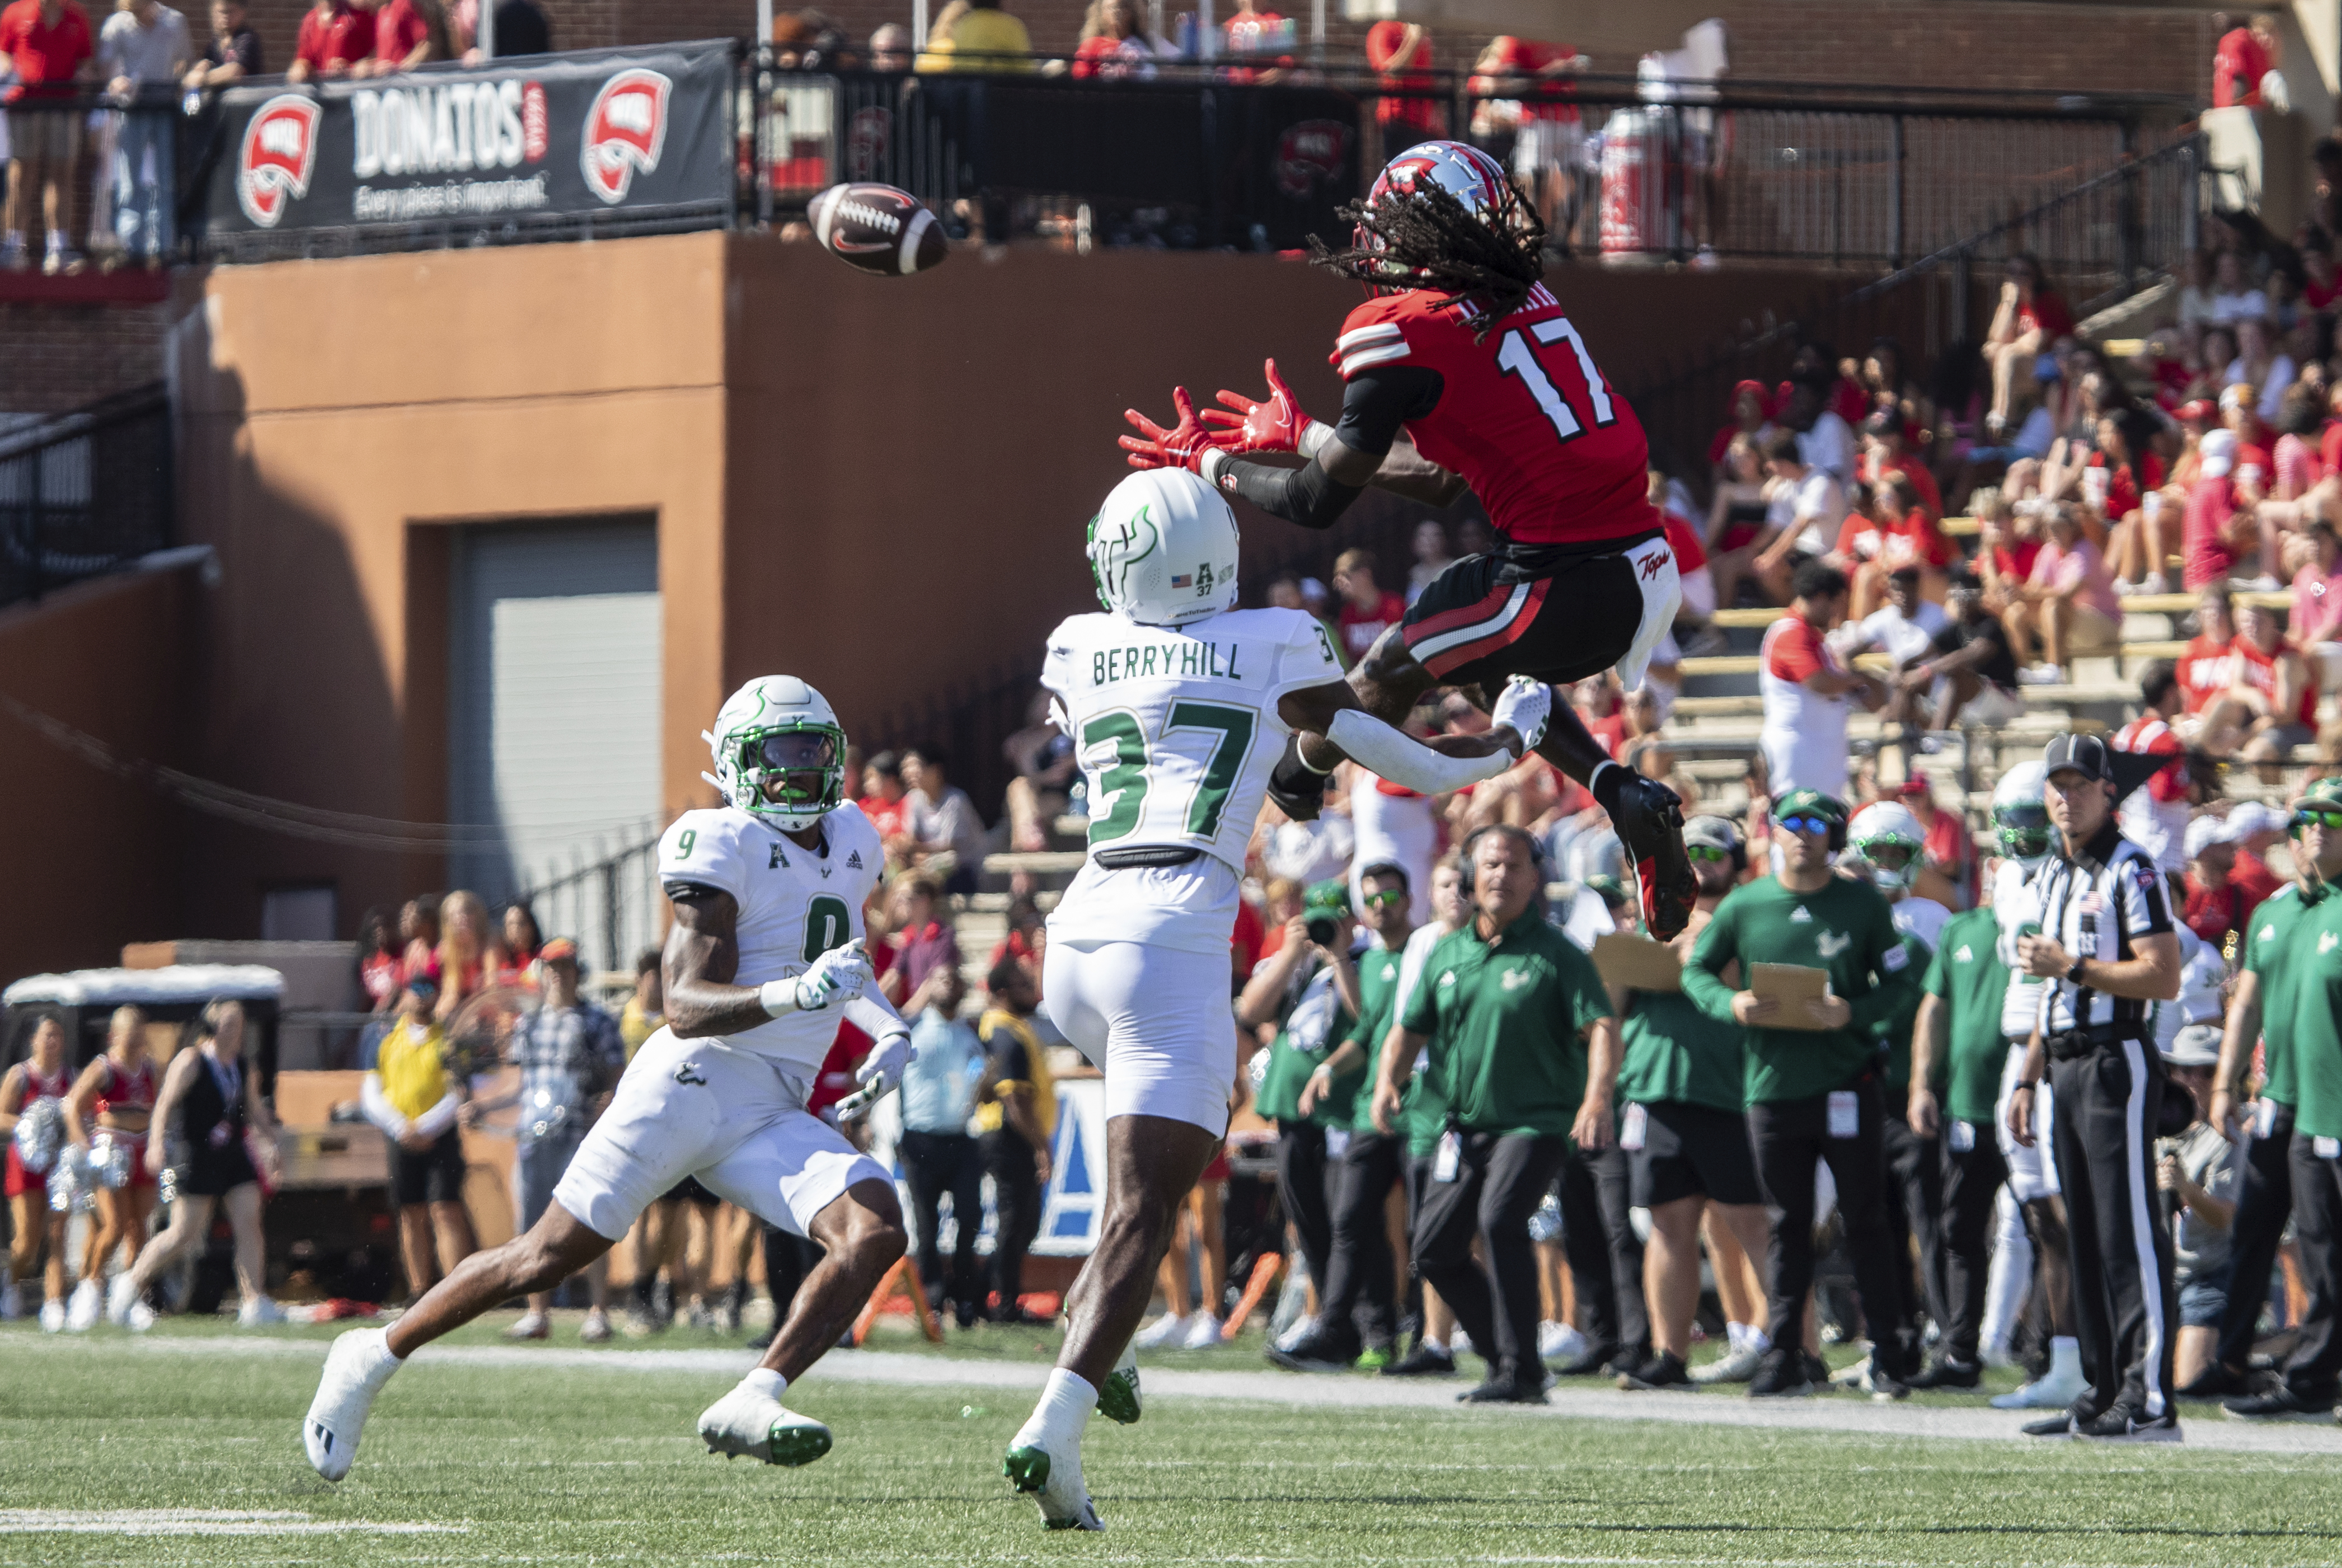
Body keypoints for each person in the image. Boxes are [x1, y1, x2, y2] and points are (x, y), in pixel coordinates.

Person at [1004, 468, 1547, 1529]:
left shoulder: (1075, 645)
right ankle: (1055, 1430)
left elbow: (1169, 678)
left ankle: (1092, 1336)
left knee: (1140, 1191)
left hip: (1074, 938)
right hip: (1174, 932)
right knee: (1144, 1210)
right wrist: (1516, 734)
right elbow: (1416, 767)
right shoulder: (1277, 639)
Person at [304, 675, 916, 1481]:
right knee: (544, 1256)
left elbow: (839, 962)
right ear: (736, 762)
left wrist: (887, 1025)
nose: (800, 772)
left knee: (875, 1228)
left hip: (772, 1104)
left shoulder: (854, 838)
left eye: (813, 753)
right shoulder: (719, 839)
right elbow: (685, 1003)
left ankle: (756, 1394)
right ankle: (373, 1353)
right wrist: (796, 994)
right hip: (692, 1080)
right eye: (781, 755)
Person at [1124, 140, 1697, 942]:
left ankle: (1293, 778)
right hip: (1637, 558)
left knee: (1400, 660)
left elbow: (1316, 502)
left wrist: (1208, 461)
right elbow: (1438, 478)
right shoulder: (1524, 295)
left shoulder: (1397, 328)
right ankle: (1618, 789)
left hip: (1558, 586)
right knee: (1464, 640)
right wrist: (1308, 432)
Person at [1682, 788, 1919, 1398]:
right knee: (1786, 1225)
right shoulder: (1747, 904)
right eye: (1793, 821)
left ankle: (1890, 1353)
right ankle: (1784, 1354)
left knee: (1866, 1220)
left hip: (1847, 1085)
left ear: (1836, 838)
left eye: (1820, 823)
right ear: (1774, 831)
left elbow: (1900, 984)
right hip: (1771, 1088)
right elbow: (1696, 971)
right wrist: (1730, 1003)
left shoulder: (1862, 905)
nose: (1805, 832)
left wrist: (1854, 1014)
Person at [1377, 825, 1618, 1403]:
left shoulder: (1559, 953)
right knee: (1435, 1248)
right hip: (1461, 1125)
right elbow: (1410, 1028)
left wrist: (1597, 1099)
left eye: (1514, 867)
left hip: (1535, 1122)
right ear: (1470, 877)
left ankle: (1520, 1368)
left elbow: (1602, 1027)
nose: (1501, 876)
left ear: (1535, 878)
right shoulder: (1447, 951)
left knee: (1502, 1219)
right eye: (1490, 866)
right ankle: (1508, 1361)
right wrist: (1389, 1080)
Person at [2006, 733, 2184, 1440]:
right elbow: (2048, 996)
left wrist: (2075, 967)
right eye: (2057, 785)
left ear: (2108, 790)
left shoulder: (2131, 868)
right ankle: (2104, 1385)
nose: (2065, 798)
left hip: (2116, 1059)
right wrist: (2025, 1076)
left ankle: (2150, 1397)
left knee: (2128, 1230)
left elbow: (2163, 974)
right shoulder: (2053, 872)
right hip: (2063, 1063)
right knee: (2083, 1232)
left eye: (2079, 785)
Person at [1609, 816, 1773, 1391]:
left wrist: (1701, 949)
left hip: (1729, 1088)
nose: (1701, 860)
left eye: (1714, 851)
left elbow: (1756, 981)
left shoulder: (1749, 914)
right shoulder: (1654, 920)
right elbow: (1612, 1003)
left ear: (1738, 861)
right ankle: (1669, 1354)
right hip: (1657, 1084)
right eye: (1691, 850)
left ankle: (1791, 1349)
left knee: (1753, 1225)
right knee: (1668, 1225)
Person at [2214, 777, 2342, 1417]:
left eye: (2332, 821)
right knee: (2253, 1231)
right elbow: (2247, 1003)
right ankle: (2229, 1361)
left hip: (2333, 1103)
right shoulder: (2269, 913)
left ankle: (2317, 1378)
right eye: (2307, 821)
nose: (2317, 831)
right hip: (2279, 1097)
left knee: (2323, 1243)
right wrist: (2224, 1080)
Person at [1273, 862, 1417, 1372]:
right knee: (1348, 1222)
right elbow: (1367, 1035)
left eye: (1390, 895)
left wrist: (1338, 958)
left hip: (1416, 1107)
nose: (1381, 905)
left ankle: (1420, 1336)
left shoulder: (1414, 954)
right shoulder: (1372, 961)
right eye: (1372, 897)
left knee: (1425, 1230)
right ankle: (1338, 1329)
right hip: (1363, 1110)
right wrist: (1330, 1067)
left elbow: (1373, 1024)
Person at [1984, 759, 2090, 1412]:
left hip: (2060, 1051)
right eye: (2013, 821)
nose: (2024, 834)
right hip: (2019, 1052)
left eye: (2034, 818)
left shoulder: (2080, 877)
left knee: (2073, 1211)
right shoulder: (2006, 883)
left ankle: (2097, 1354)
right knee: (2036, 1214)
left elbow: (2191, 948)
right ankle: (2065, 1358)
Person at [464, 940, 624, 1341]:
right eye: (552, 968)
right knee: (532, 1222)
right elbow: (521, 1085)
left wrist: (605, 1105)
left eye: (566, 967)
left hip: (579, 1133)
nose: (558, 975)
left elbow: (617, 1075)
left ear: (577, 972)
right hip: (534, 1133)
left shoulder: (597, 1021)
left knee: (591, 1218)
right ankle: (538, 1313)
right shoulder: (528, 1024)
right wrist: (484, 1109)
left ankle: (598, 1310)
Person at [1240, 878, 1363, 1358]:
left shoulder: (1363, 961)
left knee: (1344, 1220)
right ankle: (1322, 1318)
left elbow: (1364, 1016)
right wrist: (1294, 952)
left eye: (1334, 918)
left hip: (1343, 1110)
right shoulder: (1290, 962)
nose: (1323, 927)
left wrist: (1338, 956)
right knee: (1305, 1220)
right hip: (1291, 1109)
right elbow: (1251, 1009)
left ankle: (1344, 1320)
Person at [1907, 855, 2017, 1388]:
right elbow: (1934, 1008)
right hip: (1967, 1105)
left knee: (2052, 1229)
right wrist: (1922, 1084)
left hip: (2027, 1107)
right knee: (1959, 1229)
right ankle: (1959, 1353)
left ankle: (2058, 1351)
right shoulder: (1960, 929)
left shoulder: (2040, 928)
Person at [111, 999, 284, 1328]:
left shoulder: (242, 1065)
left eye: (240, 1024)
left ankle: (254, 1301)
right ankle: (130, 1284)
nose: (237, 1031)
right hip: (197, 1154)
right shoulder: (192, 1060)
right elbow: (164, 1104)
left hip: (232, 1154)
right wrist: (157, 1142)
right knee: (183, 1233)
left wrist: (271, 1143)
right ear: (211, 1026)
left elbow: (253, 1108)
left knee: (250, 1221)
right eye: (229, 1023)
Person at [361, 974, 475, 1303]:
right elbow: (371, 1093)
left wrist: (425, 1127)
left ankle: (456, 1291)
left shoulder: (449, 1038)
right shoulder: (384, 1037)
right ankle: (419, 1290)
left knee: (445, 1209)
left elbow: (460, 1090)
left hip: (440, 1137)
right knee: (410, 1212)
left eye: (430, 991)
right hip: (400, 1137)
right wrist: (401, 1128)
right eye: (417, 991)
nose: (422, 998)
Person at [61, 1005, 158, 1331]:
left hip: (143, 1147)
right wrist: (84, 1147)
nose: (134, 1040)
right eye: (128, 1034)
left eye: (139, 1033)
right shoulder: (104, 1068)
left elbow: (158, 1105)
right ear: (114, 1035)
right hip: (112, 1149)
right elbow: (72, 1107)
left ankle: (130, 1297)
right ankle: (89, 1287)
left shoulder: (150, 1068)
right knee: (114, 1226)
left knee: (140, 1228)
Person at [2155, 1025, 2240, 1391]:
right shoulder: (2156, 1125)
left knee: (2188, 1383)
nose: (2192, 1080)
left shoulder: (2228, 1135)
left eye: (2207, 1072)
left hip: (2207, 1272)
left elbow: (2226, 1217)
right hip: (2159, 1272)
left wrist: (2185, 1188)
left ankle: (2273, 1348)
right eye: (2184, 1070)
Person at [899, 965, 985, 1326]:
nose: (948, 986)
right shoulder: (912, 1029)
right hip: (920, 1137)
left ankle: (964, 1297)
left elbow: (982, 1075)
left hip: (959, 1137)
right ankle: (933, 1297)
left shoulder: (969, 1035)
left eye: (953, 980)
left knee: (970, 1217)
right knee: (926, 1223)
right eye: (941, 979)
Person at [1758, 561, 1881, 804]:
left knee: (1826, 821)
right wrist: (1857, 680)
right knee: (1794, 818)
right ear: (1822, 597)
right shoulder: (1791, 632)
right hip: (1799, 750)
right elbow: (1818, 682)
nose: (1837, 612)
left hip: (1817, 749)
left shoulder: (1811, 634)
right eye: (1837, 603)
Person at [976, 958, 1054, 1325]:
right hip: (1010, 1135)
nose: (1033, 992)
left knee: (1021, 1223)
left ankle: (984, 1296)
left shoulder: (1011, 1027)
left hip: (1010, 1134)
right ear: (1004, 992)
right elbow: (1014, 1099)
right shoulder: (1003, 1030)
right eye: (1024, 986)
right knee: (1015, 1221)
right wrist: (1040, 1145)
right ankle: (1003, 1304)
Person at [0, 0, 96, 275]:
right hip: (24, 105)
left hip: (63, 104)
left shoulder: (77, 15)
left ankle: (58, 248)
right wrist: (8, 71)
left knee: (62, 174)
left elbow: (86, 59)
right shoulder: (15, 13)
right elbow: (3, 53)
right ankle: (13, 247)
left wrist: (84, 74)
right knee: (21, 174)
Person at [94, 0, 187, 264]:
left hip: (165, 106)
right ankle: (131, 246)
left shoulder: (175, 22)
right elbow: (106, 66)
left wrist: (176, 81)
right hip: (131, 108)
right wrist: (116, 81)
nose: (129, 10)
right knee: (129, 177)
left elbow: (184, 61)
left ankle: (163, 245)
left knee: (164, 177)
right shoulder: (116, 24)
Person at [0, 1015, 74, 1330]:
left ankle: (54, 1303)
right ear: (33, 1041)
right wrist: (31, 1124)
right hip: (27, 1163)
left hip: (59, 1165)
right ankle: (12, 1281)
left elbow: (83, 1113)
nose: (53, 1042)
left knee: (58, 1234)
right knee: (28, 1241)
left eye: (58, 1035)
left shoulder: (71, 1076)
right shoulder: (21, 1076)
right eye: (47, 1036)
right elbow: (2, 1117)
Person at [2113, 660, 2194, 883]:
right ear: (2170, 692)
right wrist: (2192, 790)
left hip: (2126, 840)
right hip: (2161, 850)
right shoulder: (2166, 739)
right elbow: (2164, 792)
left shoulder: (2122, 735)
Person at [903, 745, 987, 898]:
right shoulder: (913, 798)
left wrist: (920, 851)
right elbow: (911, 838)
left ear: (936, 770)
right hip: (929, 863)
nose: (908, 773)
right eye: (906, 767)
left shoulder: (956, 800)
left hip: (965, 869)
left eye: (915, 766)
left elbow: (950, 846)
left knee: (945, 862)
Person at [1331, 547, 1406, 665]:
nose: (1338, 582)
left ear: (1365, 573)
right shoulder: (1347, 614)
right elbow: (1349, 659)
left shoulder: (1395, 605)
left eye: (1345, 575)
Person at [284, 0, 370, 81]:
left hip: (352, 88)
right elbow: (304, 58)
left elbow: (377, 54)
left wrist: (355, 66)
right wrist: (300, 68)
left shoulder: (357, 16)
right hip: (322, 91)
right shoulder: (310, 20)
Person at [181, 0, 259, 88]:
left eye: (230, 12)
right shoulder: (214, 45)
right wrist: (203, 66)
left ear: (242, 12)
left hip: (245, 99)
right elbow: (208, 65)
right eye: (221, 12)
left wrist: (202, 79)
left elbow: (235, 72)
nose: (226, 16)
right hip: (222, 100)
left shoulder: (247, 39)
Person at [618, 947, 662, 1057]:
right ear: (638, 979)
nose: (662, 981)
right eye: (656, 975)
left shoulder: (675, 1021)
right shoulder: (619, 1017)